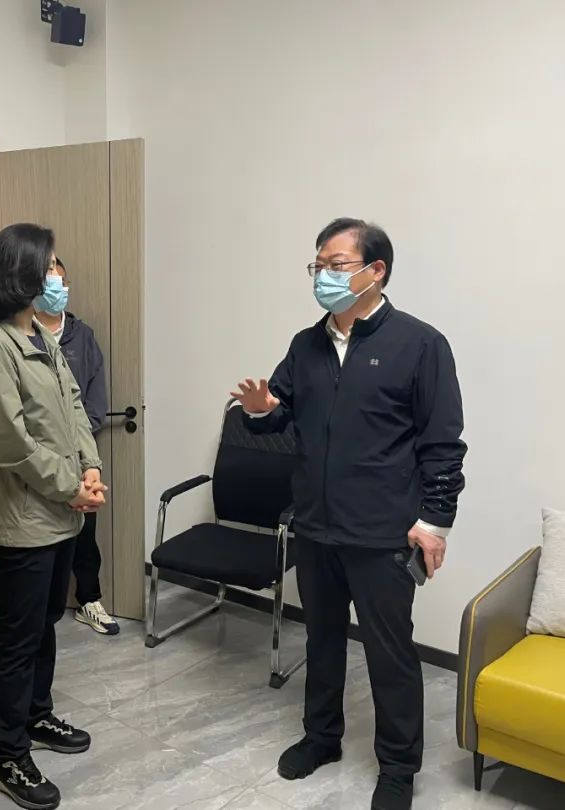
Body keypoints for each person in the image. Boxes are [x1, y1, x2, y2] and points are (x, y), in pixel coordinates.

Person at [230, 218, 466, 810]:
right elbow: (280, 416)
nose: (323, 277)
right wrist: (259, 410)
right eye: (318, 266)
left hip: (384, 533)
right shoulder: (305, 345)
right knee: (324, 640)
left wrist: (434, 522)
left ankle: (398, 767)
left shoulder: (420, 344)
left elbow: (443, 444)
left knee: (390, 654)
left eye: (335, 265)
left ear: (375, 271)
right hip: (315, 526)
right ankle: (321, 738)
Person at [0, 223, 107, 810]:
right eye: (48, 266)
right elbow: (10, 442)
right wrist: (71, 487)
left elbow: (74, 407)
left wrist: (91, 468)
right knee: (19, 635)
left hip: (62, 514)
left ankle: (36, 715)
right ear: (20, 272)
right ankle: (7, 755)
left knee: (46, 621)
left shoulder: (42, 336)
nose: (56, 277)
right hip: (25, 520)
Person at [33, 257, 119, 635]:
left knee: (85, 533)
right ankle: (40, 604)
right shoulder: (22, 336)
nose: (57, 288)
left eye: (62, 281)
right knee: (42, 533)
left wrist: (84, 448)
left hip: (80, 455)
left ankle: (89, 600)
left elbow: (94, 400)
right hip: (37, 457)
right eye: (49, 281)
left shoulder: (82, 336)